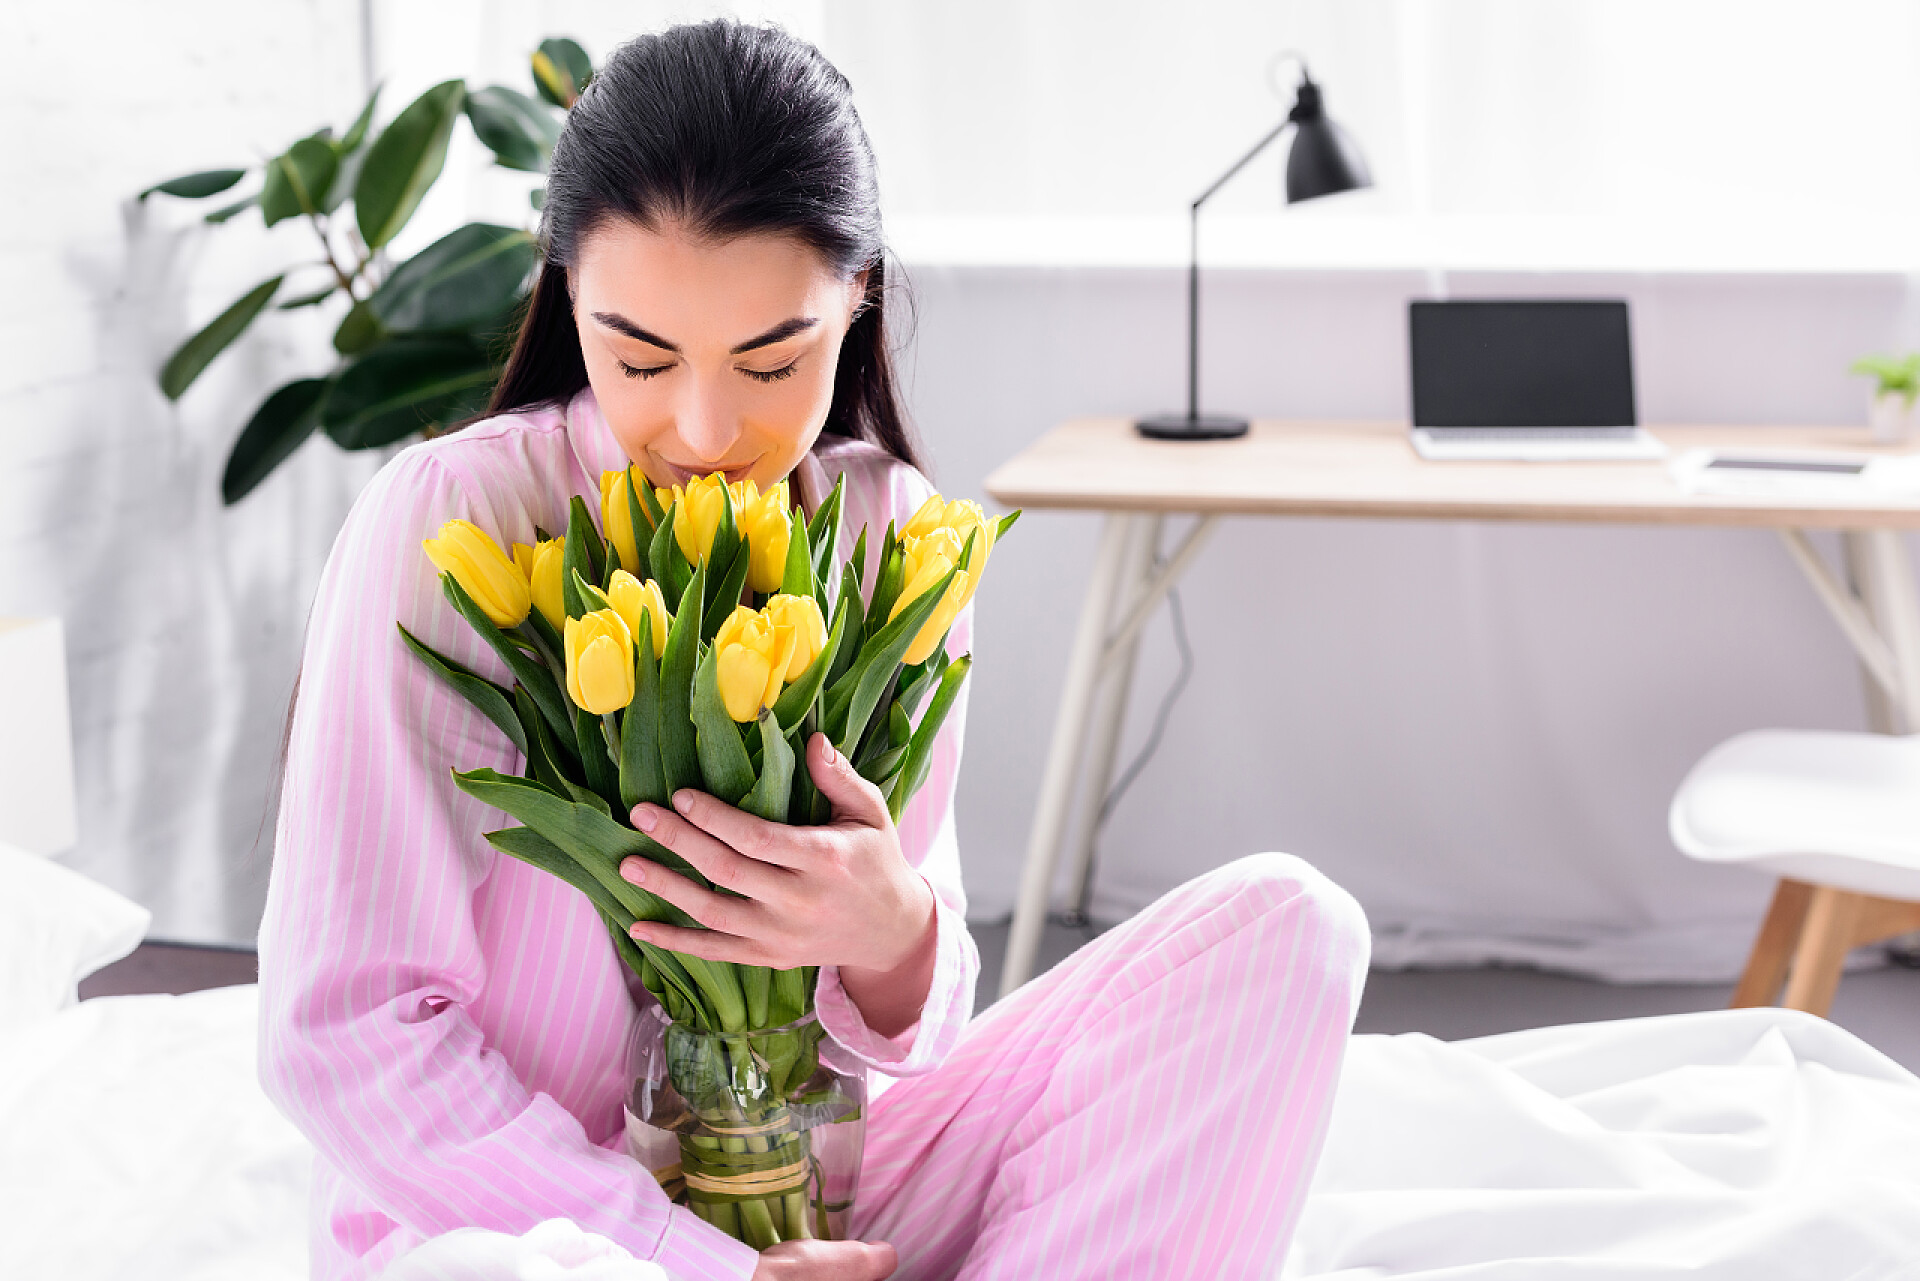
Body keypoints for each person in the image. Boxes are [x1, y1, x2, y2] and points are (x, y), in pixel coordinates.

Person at [257, 19, 1370, 1281]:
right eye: (638, 355)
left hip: (811, 1189)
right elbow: (342, 1033)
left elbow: (908, 1040)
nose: (701, 426)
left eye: (770, 359)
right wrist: (693, 1260)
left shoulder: (885, 532)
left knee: (1293, 927)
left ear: (857, 297)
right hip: (526, 1231)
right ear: (569, 295)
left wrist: (893, 931)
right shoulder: (463, 522)